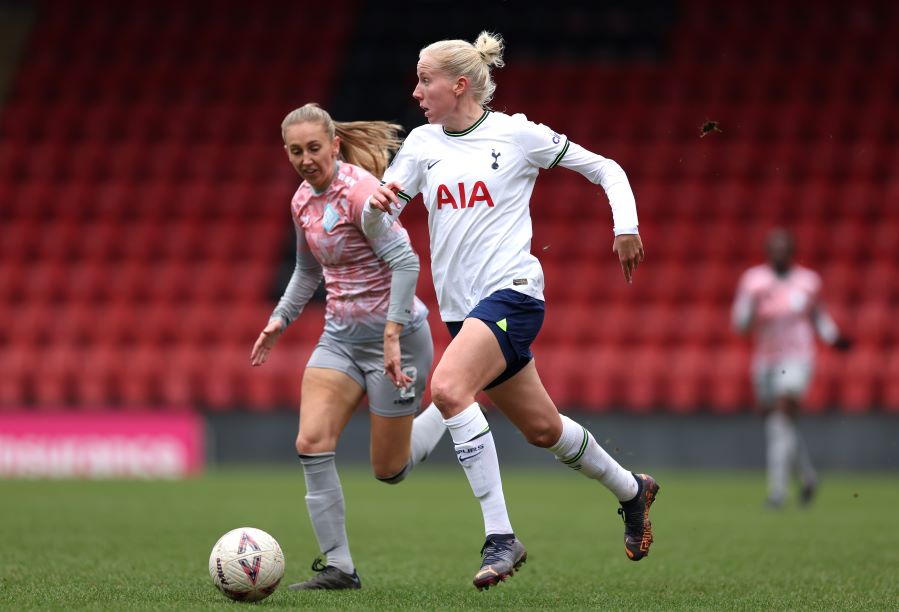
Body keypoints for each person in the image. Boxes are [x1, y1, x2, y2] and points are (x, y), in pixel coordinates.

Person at [362, 32, 659, 590]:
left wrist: (625, 226)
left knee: (449, 388)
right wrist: (378, 209)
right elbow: (380, 226)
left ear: (460, 84)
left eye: (425, 79)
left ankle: (501, 535)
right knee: (544, 430)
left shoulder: (517, 134)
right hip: (462, 312)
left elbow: (607, 168)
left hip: (513, 293)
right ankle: (631, 489)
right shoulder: (422, 145)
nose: (416, 90)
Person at [250, 103, 447, 590]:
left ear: (334, 145)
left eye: (313, 148)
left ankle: (452, 406)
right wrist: (280, 318)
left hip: (395, 343)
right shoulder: (301, 202)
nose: (305, 158)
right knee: (310, 443)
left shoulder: (363, 195)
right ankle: (339, 567)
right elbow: (307, 270)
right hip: (339, 338)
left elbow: (407, 263)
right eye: (295, 151)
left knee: (390, 471)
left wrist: (393, 332)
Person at [732, 228, 851, 508]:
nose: (779, 253)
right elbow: (740, 324)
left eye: (784, 248)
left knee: (781, 415)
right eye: (774, 248)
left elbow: (818, 316)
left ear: (792, 252)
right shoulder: (753, 281)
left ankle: (777, 492)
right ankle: (808, 477)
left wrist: (833, 338)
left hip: (798, 359)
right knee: (780, 425)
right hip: (766, 359)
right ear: (768, 252)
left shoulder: (808, 282)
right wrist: (753, 305)